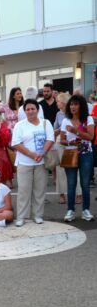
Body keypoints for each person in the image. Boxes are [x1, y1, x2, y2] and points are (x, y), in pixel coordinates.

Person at [11, 99, 55, 226]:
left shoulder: (46, 123)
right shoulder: (20, 125)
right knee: (24, 191)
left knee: (39, 191)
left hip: (41, 163)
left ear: (38, 110)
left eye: (33, 109)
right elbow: (16, 144)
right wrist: (32, 154)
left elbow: (50, 139)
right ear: (24, 111)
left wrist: (42, 153)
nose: (30, 111)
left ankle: (38, 215)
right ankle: (21, 217)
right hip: (24, 163)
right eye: (27, 109)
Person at [60, 94, 95, 222]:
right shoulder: (65, 121)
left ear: (81, 106)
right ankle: (70, 210)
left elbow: (91, 137)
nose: (73, 107)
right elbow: (62, 140)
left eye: (76, 104)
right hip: (70, 154)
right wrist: (70, 142)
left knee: (85, 184)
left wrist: (76, 132)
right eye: (71, 104)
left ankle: (86, 210)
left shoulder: (88, 119)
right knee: (71, 184)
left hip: (86, 154)